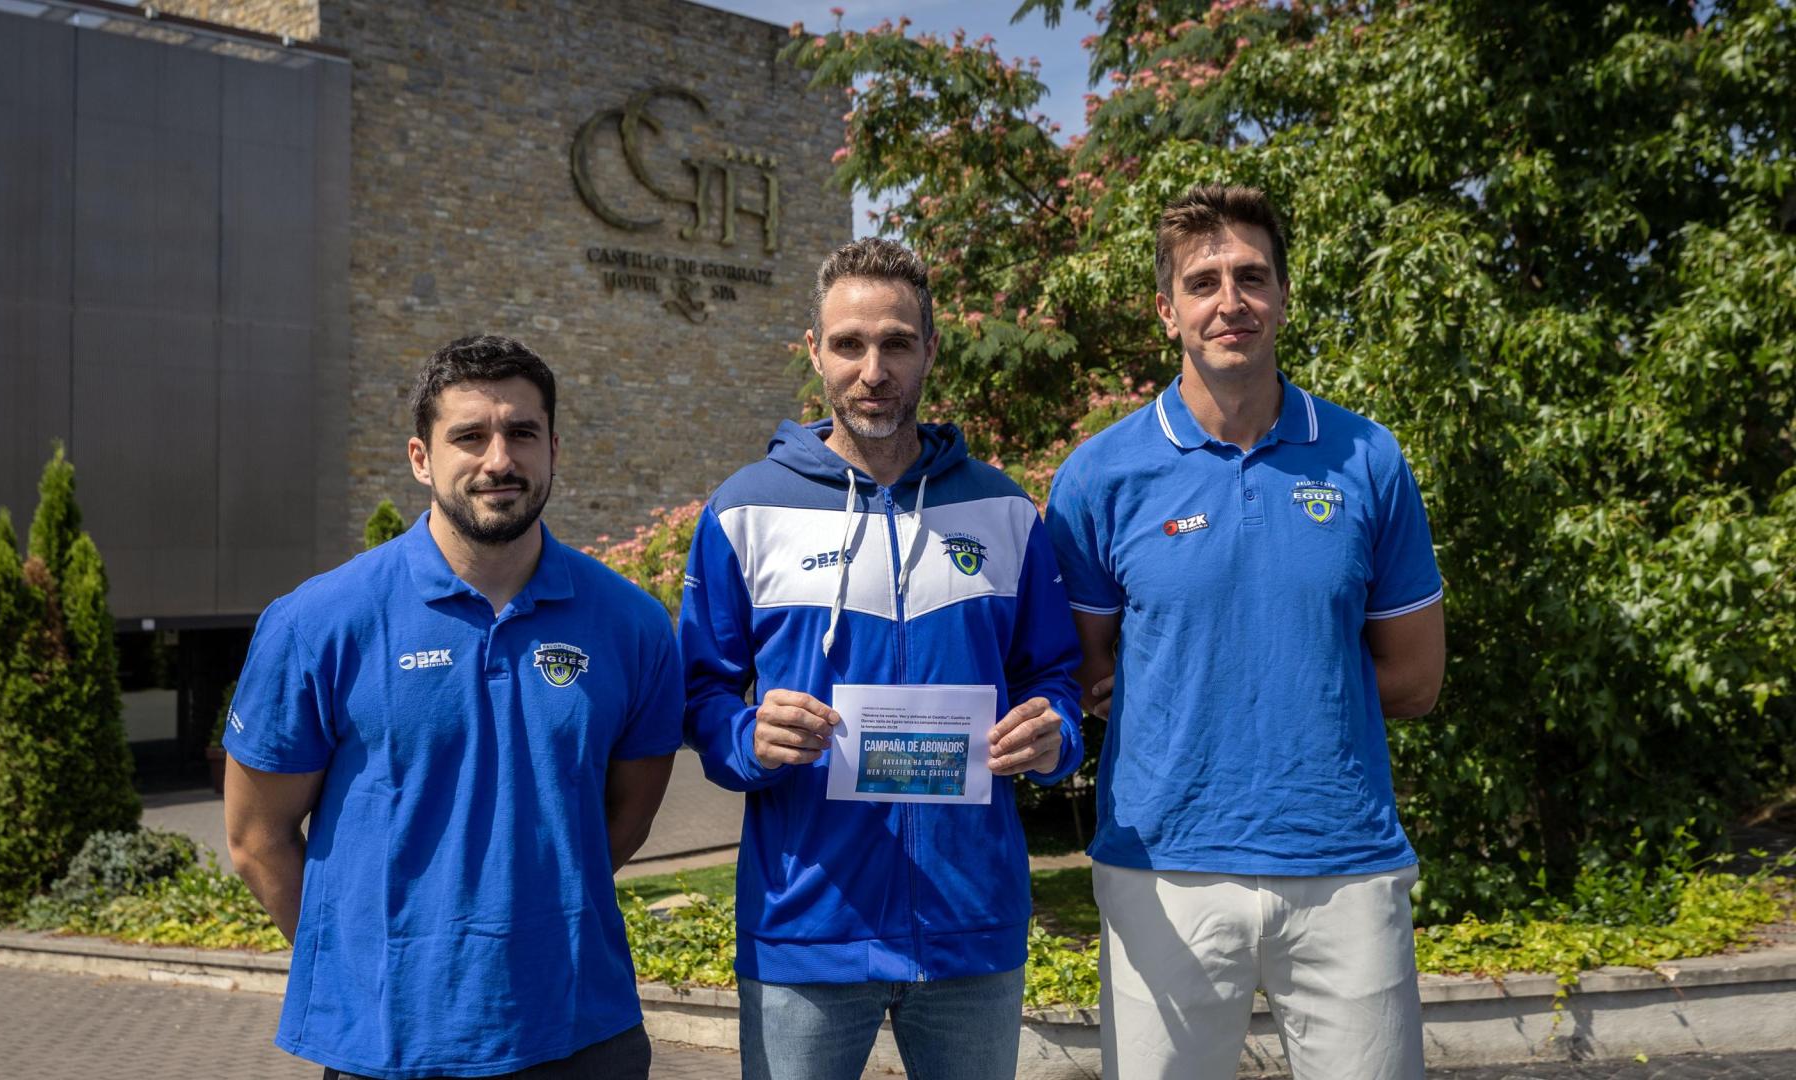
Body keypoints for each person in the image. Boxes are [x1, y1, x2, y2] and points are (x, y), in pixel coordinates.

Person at [1044, 184, 1446, 1079]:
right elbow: (1086, 673)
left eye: (1253, 277)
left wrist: (1268, 686)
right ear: (1167, 309)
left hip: (1345, 865)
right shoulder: (1099, 477)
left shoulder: (1367, 458)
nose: (1231, 301)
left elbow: (1416, 678)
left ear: (1284, 296)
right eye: (1204, 282)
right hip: (1163, 868)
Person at [222, 334, 682, 1080]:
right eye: (469, 436)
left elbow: (626, 818)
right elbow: (256, 835)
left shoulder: (631, 624)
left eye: (522, 434)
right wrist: (362, 968)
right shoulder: (320, 622)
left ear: (554, 449)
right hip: (390, 1045)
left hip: (581, 1032)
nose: (499, 460)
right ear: (420, 458)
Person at [680, 237, 1085, 1080]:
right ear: (815, 351)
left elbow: (1056, 677)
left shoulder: (1004, 510)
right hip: (808, 926)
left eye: (898, 342)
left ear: (931, 350)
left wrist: (1055, 736)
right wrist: (748, 736)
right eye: (851, 344)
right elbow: (701, 692)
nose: (875, 368)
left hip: (972, 923)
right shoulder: (744, 510)